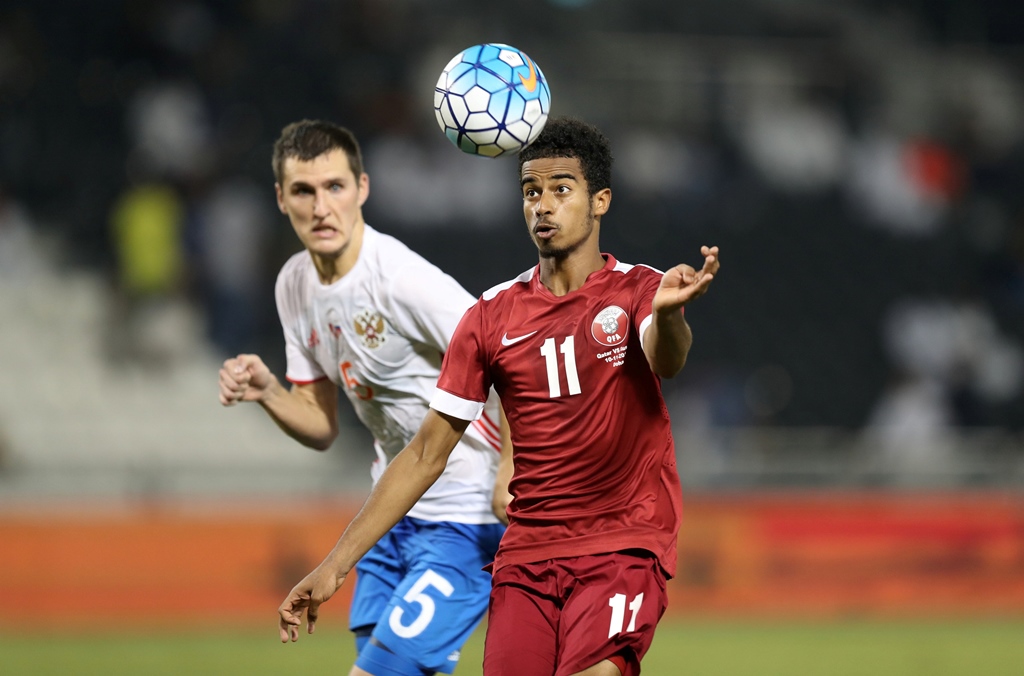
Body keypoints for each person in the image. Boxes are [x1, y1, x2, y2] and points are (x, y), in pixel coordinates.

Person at [277, 117, 721, 676]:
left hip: (621, 543)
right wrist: (335, 567)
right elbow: (423, 455)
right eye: (532, 191)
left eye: (562, 189)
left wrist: (669, 314)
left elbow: (666, 358)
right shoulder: (488, 317)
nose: (544, 205)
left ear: (600, 200)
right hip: (526, 555)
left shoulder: (638, 290)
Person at [219, 119, 511, 676]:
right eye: (304, 190)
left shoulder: (401, 280)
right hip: (390, 515)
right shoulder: (295, 285)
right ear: (282, 198)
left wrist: (510, 470)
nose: (321, 206)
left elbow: (508, 355)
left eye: (335, 186)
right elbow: (320, 424)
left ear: (363, 189)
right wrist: (270, 394)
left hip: (466, 517)